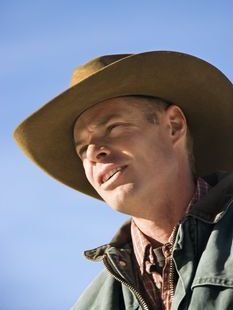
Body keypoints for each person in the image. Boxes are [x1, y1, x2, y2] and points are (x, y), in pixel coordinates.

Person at [14, 51, 233, 310]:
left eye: (114, 127)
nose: (94, 153)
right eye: (82, 149)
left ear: (173, 126)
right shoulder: (90, 305)